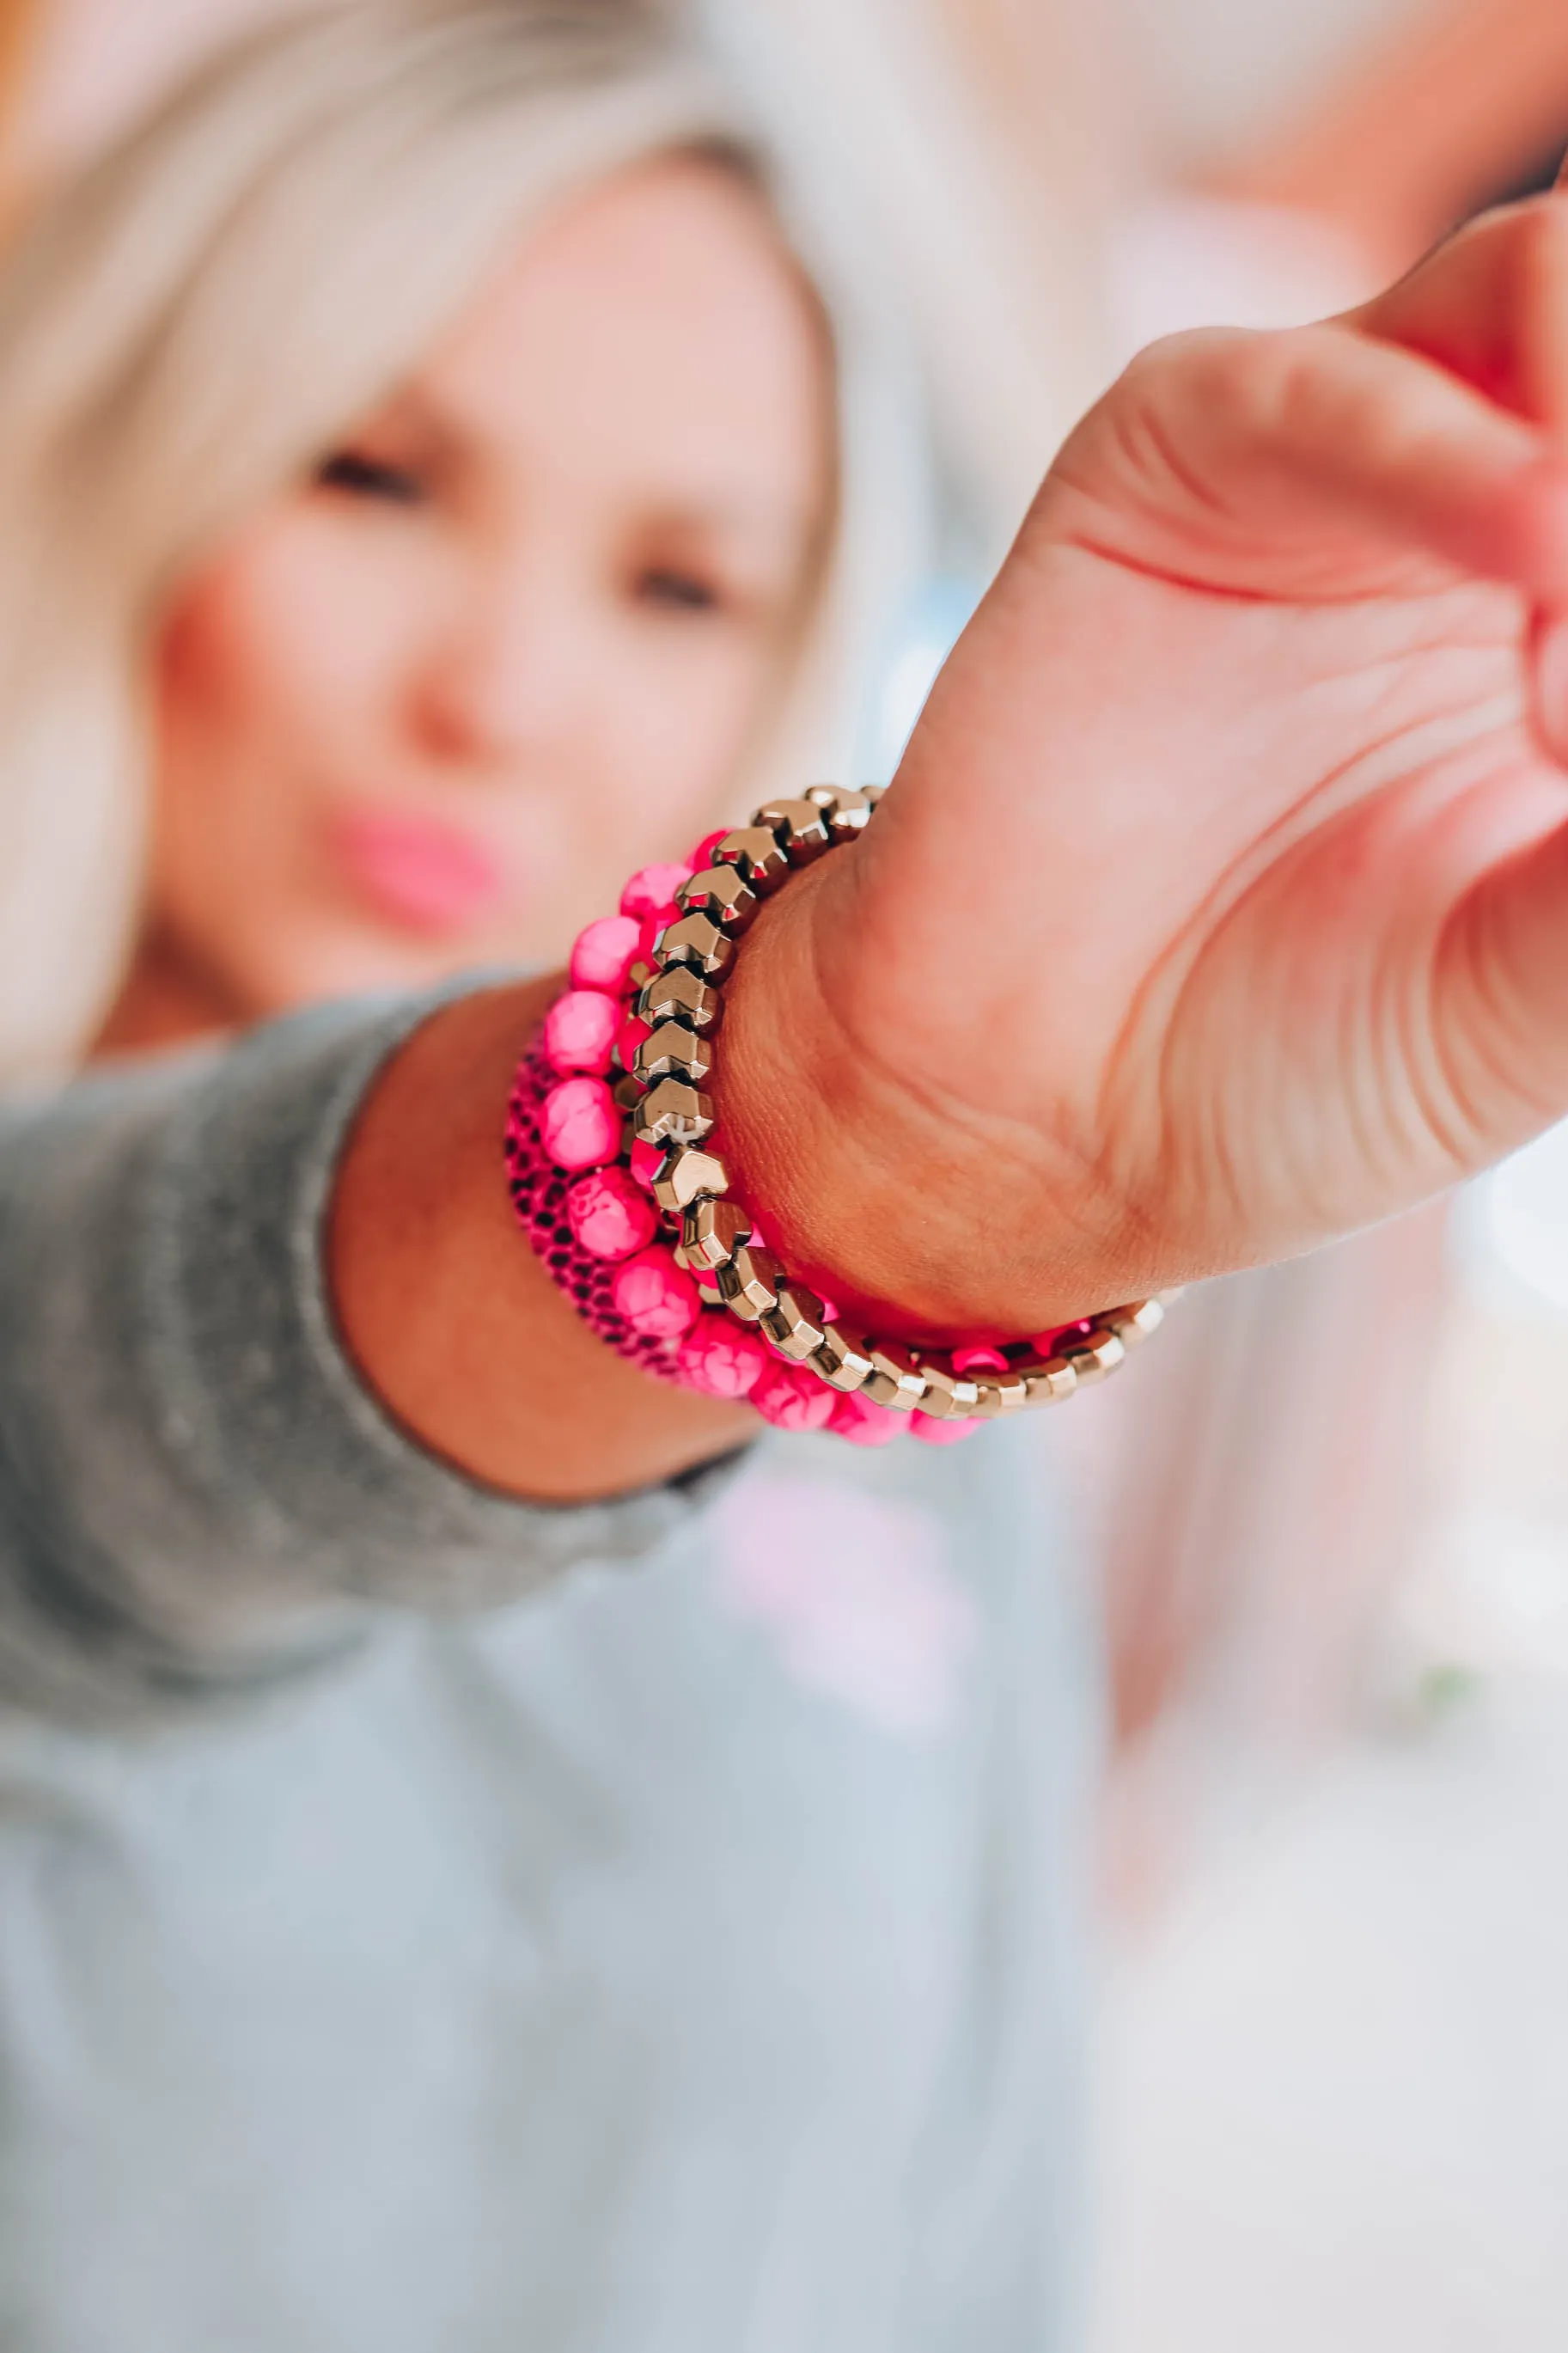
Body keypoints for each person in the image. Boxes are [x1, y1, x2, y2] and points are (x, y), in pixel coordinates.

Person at [5, 3, 1568, 2349]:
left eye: (678, 586)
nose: (502, 694)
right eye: (375, 475)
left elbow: (989, 2235)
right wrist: (830, 1139)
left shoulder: (898, 1447)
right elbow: (138, 1393)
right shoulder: (90, 1333)